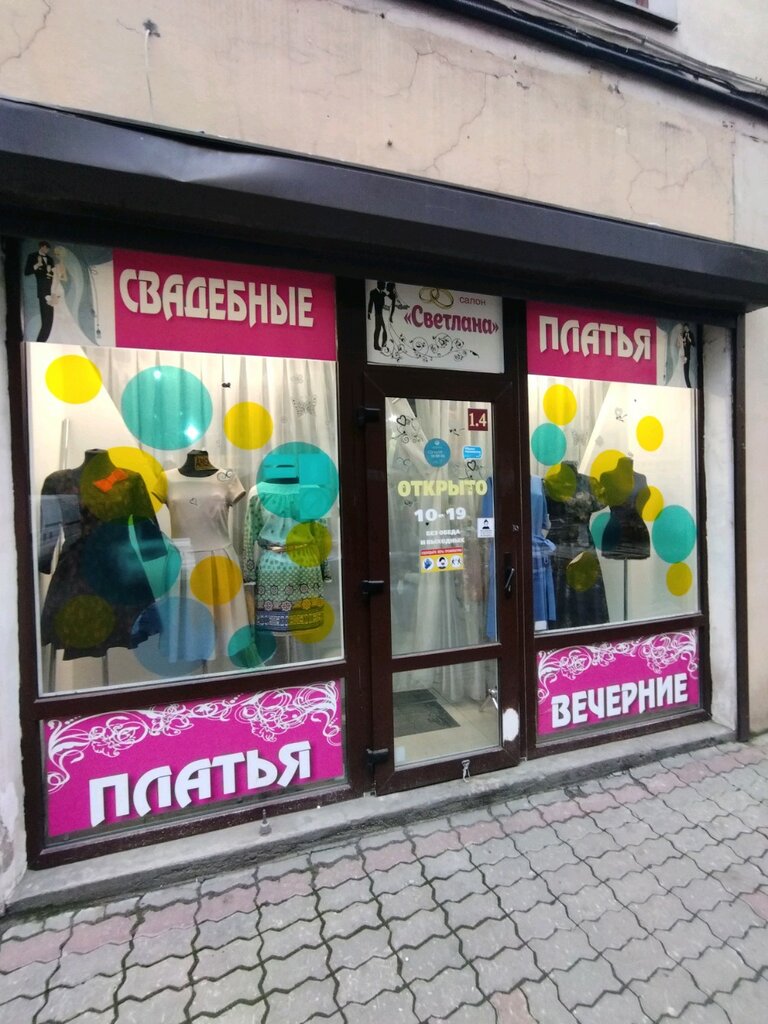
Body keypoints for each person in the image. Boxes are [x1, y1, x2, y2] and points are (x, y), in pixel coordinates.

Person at [24, 241, 54, 341]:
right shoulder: (32, 256)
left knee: (49, 320)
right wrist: (38, 264)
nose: (47, 250)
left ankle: (41, 341)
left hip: (52, 290)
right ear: (41, 247)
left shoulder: (50, 259)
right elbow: (27, 272)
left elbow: (53, 274)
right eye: (46, 248)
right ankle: (40, 341)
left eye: (48, 249)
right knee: (46, 320)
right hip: (43, 291)